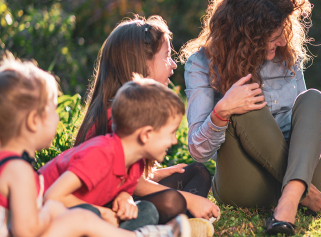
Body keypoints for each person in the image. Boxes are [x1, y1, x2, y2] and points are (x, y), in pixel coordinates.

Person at [179, 0, 321, 234]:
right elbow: (198, 151)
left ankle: (292, 195)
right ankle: (308, 197)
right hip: (246, 185)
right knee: (246, 100)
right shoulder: (201, 63)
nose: (283, 41)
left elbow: (302, 120)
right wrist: (222, 111)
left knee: (312, 99)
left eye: (284, 31)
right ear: (247, 32)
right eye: (274, 35)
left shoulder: (286, 55)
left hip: (302, 172)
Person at [0, 53, 190, 237]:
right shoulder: (19, 170)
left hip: (71, 216)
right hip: (57, 217)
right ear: (34, 121)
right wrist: (53, 210)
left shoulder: (15, 166)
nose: (57, 118)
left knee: (141, 211)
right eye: (53, 109)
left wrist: (123, 198)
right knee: (82, 218)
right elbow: (26, 230)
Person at [72, 15, 218, 223]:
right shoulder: (117, 114)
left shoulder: (131, 108)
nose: (173, 65)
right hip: (105, 206)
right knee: (174, 201)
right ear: (143, 64)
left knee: (198, 172)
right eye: (167, 56)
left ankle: (178, 221)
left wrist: (155, 175)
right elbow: (124, 184)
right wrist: (190, 200)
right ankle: (171, 223)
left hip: (124, 194)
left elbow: (128, 176)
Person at [41, 78, 192, 232]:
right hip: (46, 216)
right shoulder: (100, 154)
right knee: (91, 212)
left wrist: (124, 198)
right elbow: (52, 197)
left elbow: (119, 188)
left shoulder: (135, 163)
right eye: (171, 133)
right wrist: (102, 212)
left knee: (147, 211)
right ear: (146, 134)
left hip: (89, 216)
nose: (174, 140)